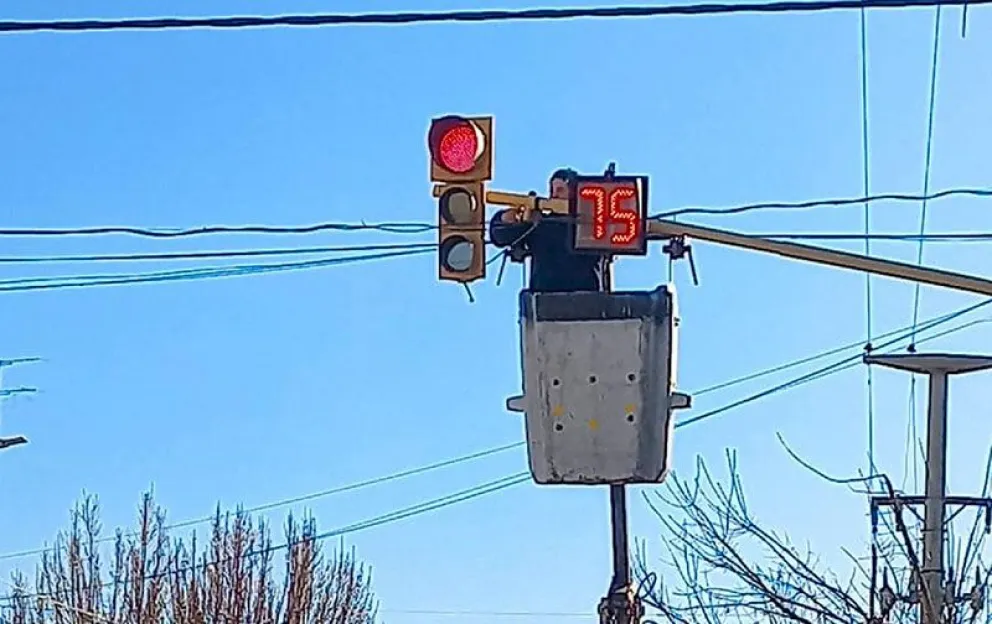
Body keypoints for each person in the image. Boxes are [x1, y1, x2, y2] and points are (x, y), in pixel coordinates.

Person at [489, 168, 610, 293]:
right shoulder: (542, 225)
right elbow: (499, 236)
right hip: (546, 300)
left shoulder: (592, 225)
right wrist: (511, 217)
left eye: (560, 190)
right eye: (552, 190)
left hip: (586, 301)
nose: (554, 195)